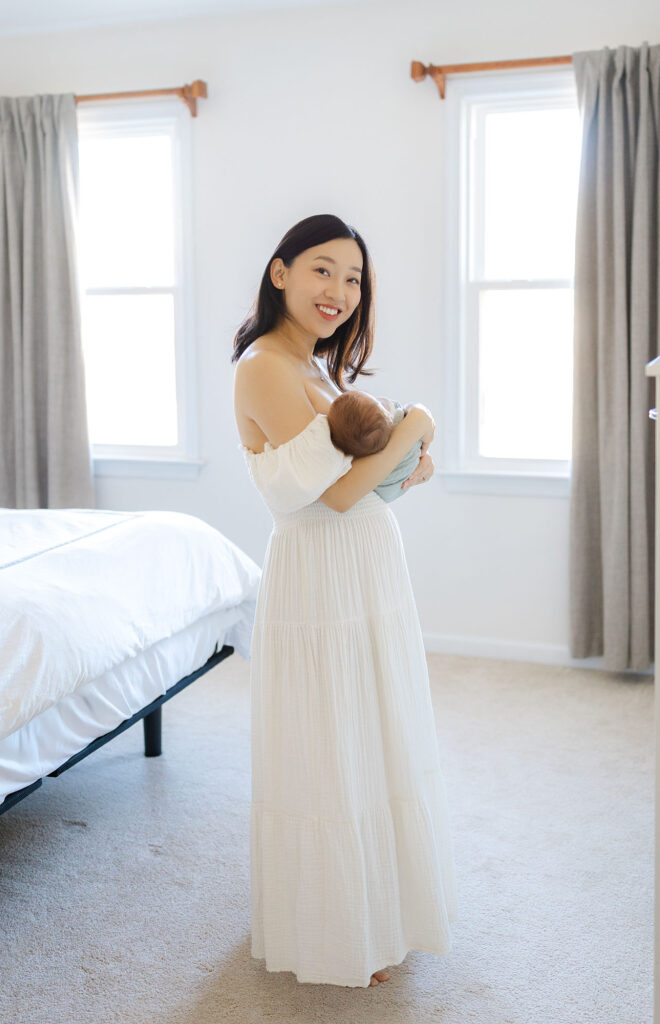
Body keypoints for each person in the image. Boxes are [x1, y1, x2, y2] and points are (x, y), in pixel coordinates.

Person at [231, 213, 458, 989]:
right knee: (331, 744)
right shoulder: (264, 365)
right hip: (320, 571)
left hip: (364, 567)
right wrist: (416, 427)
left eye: (354, 278)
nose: (340, 291)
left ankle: (379, 908)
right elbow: (331, 498)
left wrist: (404, 465)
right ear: (281, 272)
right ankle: (333, 931)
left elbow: (366, 485)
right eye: (323, 270)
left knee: (373, 730)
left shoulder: (324, 369)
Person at [324, 391, 423, 503]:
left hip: (387, 491)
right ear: (390, 421)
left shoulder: (358, 454)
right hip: (408, 470)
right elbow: (403, 413)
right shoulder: (397, 421)